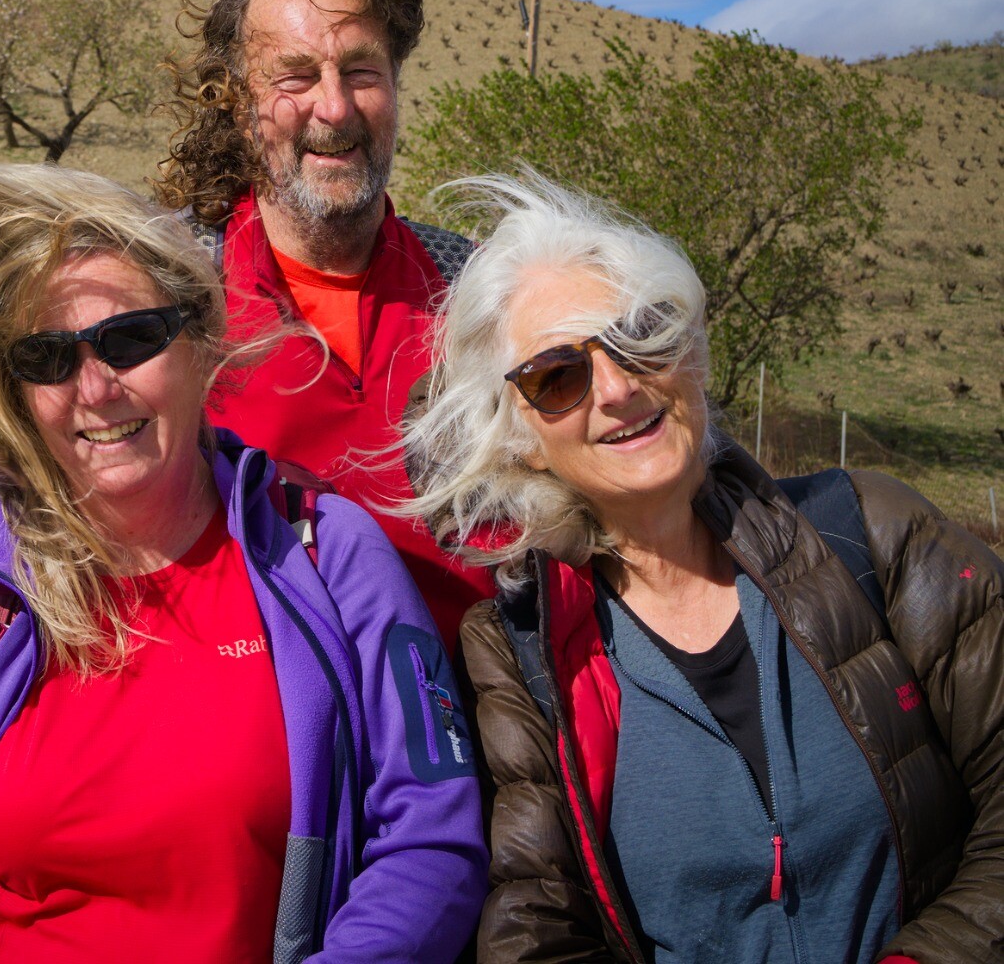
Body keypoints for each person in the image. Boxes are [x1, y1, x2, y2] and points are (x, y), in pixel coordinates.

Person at [0, 32, 488, 962]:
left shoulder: (326, 554)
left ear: (200, 348)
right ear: (16, 396)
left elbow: (431, 840)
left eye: (130, 340)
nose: (96, 388)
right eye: (47, 358)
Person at [402, 172, 1004, 963]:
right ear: (518, 435)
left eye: (642, 335)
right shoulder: (517, 649)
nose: (617, 388)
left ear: (691, 351)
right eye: (558, 376)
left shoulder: (870, 532)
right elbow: (536, 927)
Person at [156, 0, 491, 647]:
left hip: (474, 743)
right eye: (296, 76)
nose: (334, 107)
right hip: (262, 744)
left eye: (362, 72)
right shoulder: (167, 291)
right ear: (238, 102)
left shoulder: (479, 292)